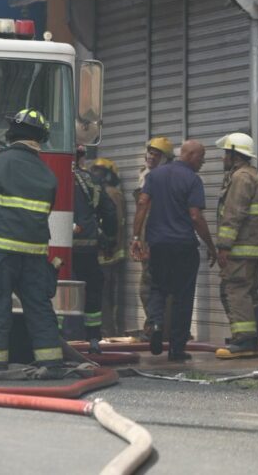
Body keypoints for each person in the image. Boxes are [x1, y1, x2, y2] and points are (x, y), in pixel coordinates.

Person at [0, 108, 64, 375]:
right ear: (41, 138)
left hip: (0, 254)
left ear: (12, 132)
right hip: (35, 256)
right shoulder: (48, 175)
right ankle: (51, 364)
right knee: (39, 308)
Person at [130, 140, 215, 362]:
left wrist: (136, 237)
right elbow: (196, 217)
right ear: (190, 155)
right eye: (201, 157)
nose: (203, 162)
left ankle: (156, 323)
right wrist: (211, 245)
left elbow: (142, 204)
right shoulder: (193, 180)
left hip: (157, 245)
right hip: (184, 247)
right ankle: (176, 349)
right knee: (182, 297)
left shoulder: (155, 176)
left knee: (157, 288)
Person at [213, 132, 258, 360]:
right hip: (252, 247)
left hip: (241, 247)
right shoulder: (251, 175)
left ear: (234, 154)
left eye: (225, 154)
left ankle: (245, 341)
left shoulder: (240, 177)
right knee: (249, 292)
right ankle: (251, 339)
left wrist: (223, 246)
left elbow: (233, 214)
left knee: (236, 290)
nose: (222, 159)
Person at [72, 148, 118, 353]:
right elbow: (109, 211)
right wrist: (109, 239)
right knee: (92, 289)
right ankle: (92, 339)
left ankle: (53, 337)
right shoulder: (91, 181)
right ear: (80, 157)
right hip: (87, 248)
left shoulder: (48, 174)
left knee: (52, 289)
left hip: (54, 249)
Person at [130, 136, 175, 339]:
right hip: (153, 238)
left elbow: (145, 208)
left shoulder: (159, 179)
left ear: (165, 158)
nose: (151, 157)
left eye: (156, 154)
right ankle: (161, 328)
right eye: (150, 152)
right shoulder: (147, 176)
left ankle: (155, 328)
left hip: (156, 239)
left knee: (150, 286)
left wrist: (139, 238)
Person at [89, 158, 126, 339]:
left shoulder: (111, 193)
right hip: (101, 252)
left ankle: (107, 333)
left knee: (104, 296)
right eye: (94, 171)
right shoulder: (99, 191)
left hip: (108, 254)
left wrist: (107, 245)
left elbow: (115, 223)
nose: (95, 175)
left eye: (100, 172)